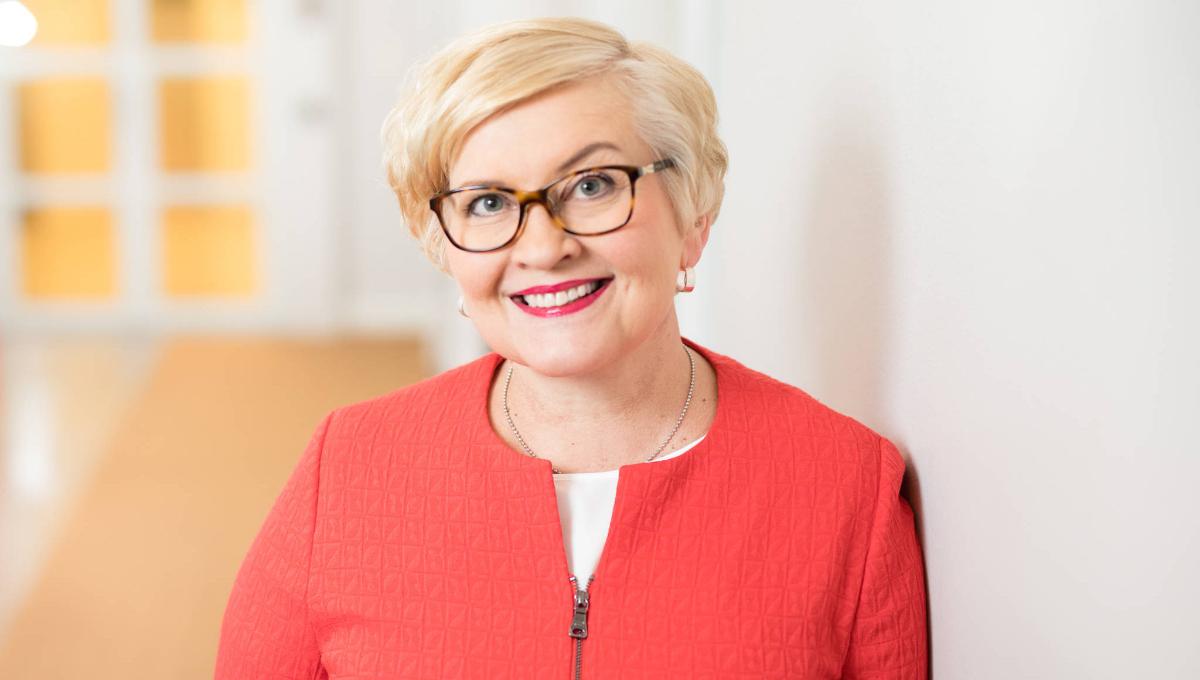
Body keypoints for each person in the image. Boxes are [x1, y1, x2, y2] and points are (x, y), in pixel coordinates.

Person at [215, 17, 927, 679]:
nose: (543, 247)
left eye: (591, 185)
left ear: (692, 216)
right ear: (445, 247)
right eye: (488, 202)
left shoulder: (846, 489)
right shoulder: (349, 468)